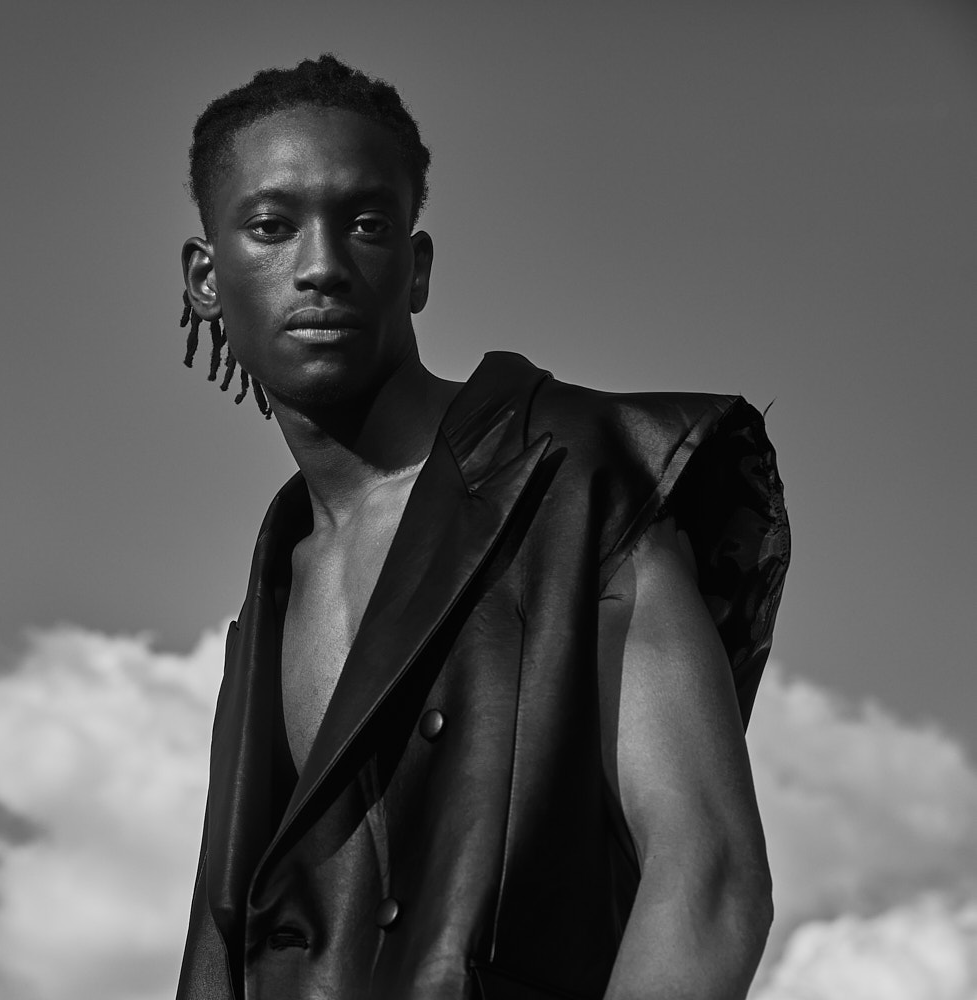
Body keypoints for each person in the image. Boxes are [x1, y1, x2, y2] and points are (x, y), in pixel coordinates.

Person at [173, 55, 789, 1000]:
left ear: (416, 270)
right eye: (272, 226)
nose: (323, 266)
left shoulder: (569, 473)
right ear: (206, 279)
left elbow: (706, 875)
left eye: (368, 224)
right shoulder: (275, 584)